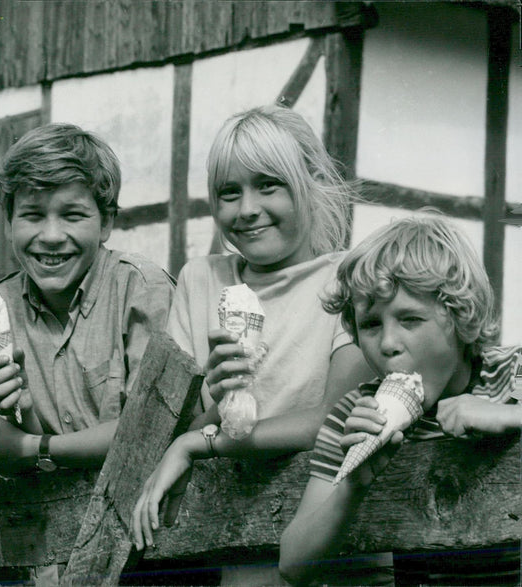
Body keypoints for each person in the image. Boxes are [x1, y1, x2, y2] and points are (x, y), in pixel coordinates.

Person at [132, 105, 375, 579]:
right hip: (240, 560)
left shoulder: (350, 280)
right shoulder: (202, 280)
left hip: (338, 558)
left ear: (309, 180)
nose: (247, 209)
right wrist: (213, 409)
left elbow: (332, 421)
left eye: (269, 184)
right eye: (229, 192)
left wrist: (196, 444)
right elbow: (184, 426)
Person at [279, 215, 521, 586]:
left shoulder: (514, 373)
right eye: (371, 324)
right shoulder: (354, 416)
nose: (388, 344)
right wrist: (354, 483)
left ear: (463, 319)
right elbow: (293, 565)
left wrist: (510, 417)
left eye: (409, 319)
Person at [0, 123, 175, 471]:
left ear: (106, 222)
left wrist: (35, 446)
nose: (50, 236)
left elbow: (155, 429)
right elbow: (17, 445)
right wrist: (22, 411)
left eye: (72, 215)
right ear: (8, 223)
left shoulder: (141, 289)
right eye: (32, 215)